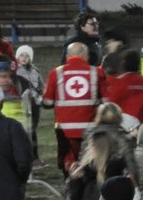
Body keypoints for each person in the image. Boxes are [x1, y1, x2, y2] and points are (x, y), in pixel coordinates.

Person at [69, 103, 137, 200]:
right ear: (118, 117)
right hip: (113, 189)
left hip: (89, 194)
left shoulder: (90, 134)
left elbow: (83, 161)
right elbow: (131, 165)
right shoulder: (123, 137)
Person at [42, 41, 101, 176]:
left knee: (68, 164)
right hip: (90, 129)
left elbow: (47, 102)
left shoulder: (56, 73)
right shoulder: (95, 72)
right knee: (90, 164)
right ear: (85, 55)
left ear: (68, 56)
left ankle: (71, 189)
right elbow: (105, 100)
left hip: (64, 131)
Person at [14, 45, 43, 154]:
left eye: (27, 55)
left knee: (33, 130)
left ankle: (34, 156)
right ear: (17, 57)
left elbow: (41, 86)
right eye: (21, 55)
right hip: (21, 104)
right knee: (21, 129)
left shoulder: (36, 71)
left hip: (34, 104)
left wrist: (41, 96)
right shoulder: (15, 71)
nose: (24, 58)